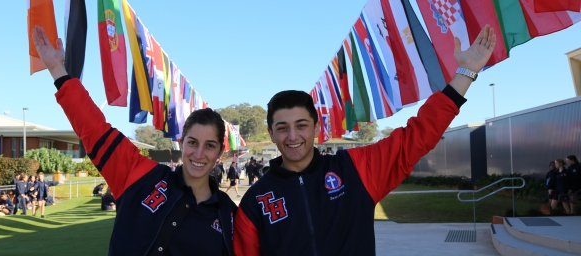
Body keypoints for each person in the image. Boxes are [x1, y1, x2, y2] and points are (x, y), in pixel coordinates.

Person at [232, 26, 497, 255]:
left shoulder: (355, 168)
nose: (292, 137)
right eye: (282, 128)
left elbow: (417, 136)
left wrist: (465, 73)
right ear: (270, 133)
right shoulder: (255, 200)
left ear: (315, 128)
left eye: (301, 126)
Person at [32, 25, 238, 255]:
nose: (199, 153)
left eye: (209, 146)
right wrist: (57, 70)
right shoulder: (140, 175)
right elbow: (93, 128)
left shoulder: (230, 215)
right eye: (193, 142)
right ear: (182, 143)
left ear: (220, 152)